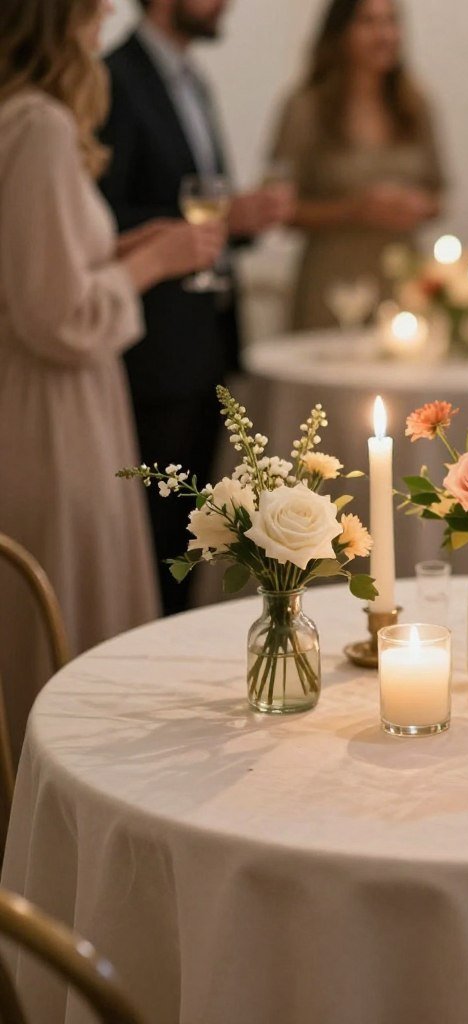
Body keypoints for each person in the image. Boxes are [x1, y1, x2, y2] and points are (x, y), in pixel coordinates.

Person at [0, 0, 224, 754]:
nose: (105, 17)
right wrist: (155, 261)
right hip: (54, 414)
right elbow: (59, 316)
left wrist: (121, 248)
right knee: (64, 611)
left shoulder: (19, 115)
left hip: (39, 400)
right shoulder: (38, 124)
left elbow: (29, 271)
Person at [100, 0, 294, 616]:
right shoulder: (114, 77)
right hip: (153, 350)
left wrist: (241, 221)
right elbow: (100, 218)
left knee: (192, 536)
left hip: (205, 338)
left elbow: (200, 205)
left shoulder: (190, 80)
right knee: (159, 539)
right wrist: (216, 220)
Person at [271, 0, 445, 331]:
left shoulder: (414, 106)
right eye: (368, 22)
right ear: (340, 33)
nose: (384, 34)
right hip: (333, 283)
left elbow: (439, 194)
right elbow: (278, 207)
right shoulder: (306, 108)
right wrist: (353, 210)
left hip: (402, 280)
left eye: (391, 22)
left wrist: (415, 205)